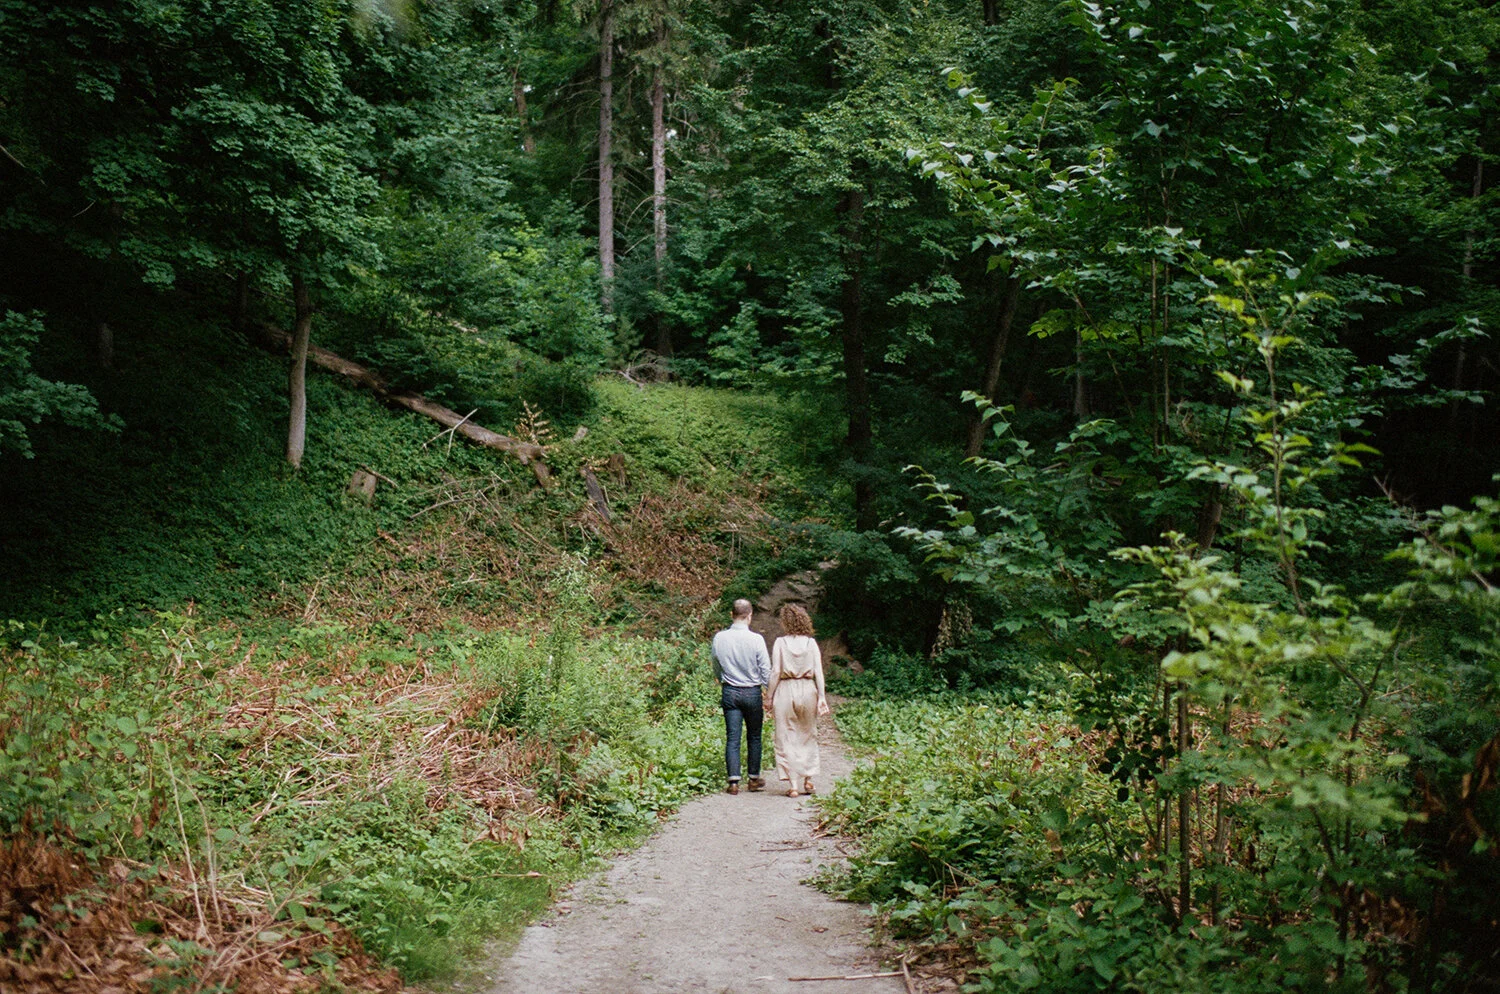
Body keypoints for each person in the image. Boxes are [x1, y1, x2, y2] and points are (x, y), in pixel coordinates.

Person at [710, 598, 771, 795]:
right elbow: (765, 668)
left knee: (733, 737)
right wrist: (769, 689)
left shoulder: (720, 638)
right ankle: (753, 778)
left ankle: (733, 782)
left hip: (730, 691)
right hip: (752, 691)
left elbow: (715, 663)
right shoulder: (756, 639)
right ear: (750, 615)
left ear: (732, 615)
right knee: (754, 736)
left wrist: (721, 678)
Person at [768, 603, 828, 798]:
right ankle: (808, 778)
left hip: (785, 689)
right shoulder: (811, 643)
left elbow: (776, 672)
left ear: (785, 622)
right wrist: (822, 697)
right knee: (808, 733)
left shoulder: (780, 643)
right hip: (808, 688)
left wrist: (769, 696)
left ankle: (793, 785)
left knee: (785, 736)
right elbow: (819, 671)